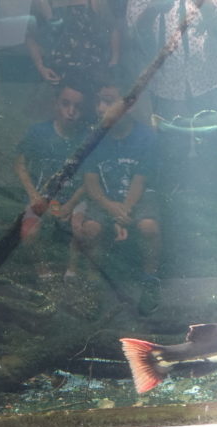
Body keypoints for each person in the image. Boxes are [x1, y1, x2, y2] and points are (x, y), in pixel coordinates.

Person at [127, 0, 217, 190]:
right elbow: (134, 29)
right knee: (172, 146)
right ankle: (175, 196)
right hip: (166, 82)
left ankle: (211, 192)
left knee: (213, 140)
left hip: (208, 77)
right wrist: (152, 9)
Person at [81, 73, 161, 315]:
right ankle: (92, 285)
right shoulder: (93, 136)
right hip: (104, 197)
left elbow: (140, 179)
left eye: (108, 101)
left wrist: (123, 211)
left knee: (148, 226)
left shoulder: (146, 136)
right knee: (91, 229)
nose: (101, 108)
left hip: (137, 197)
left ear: (128, 105)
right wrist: (111, 208)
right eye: (98, 101)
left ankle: (150, 280)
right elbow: (90, 181)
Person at [14, 77, 88, 281]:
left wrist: (71, 205)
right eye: (65, 104)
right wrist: (34, 195)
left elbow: (89, 180)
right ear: (56, 103)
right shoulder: (38, 132)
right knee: (29, 232)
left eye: (77, 107)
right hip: (41, 195)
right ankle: (41, 267)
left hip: (74, 198)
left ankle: (72, 271)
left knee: (79, 229)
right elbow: (20, 165)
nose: (71, 111)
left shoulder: (87, 138)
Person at [26, 0, 120, 85]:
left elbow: (113, 29)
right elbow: (30, 36)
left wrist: (114, 61)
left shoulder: (96, 2)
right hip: (58, 74)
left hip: (93, 73)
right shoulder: (41, 3)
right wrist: (40, 67)